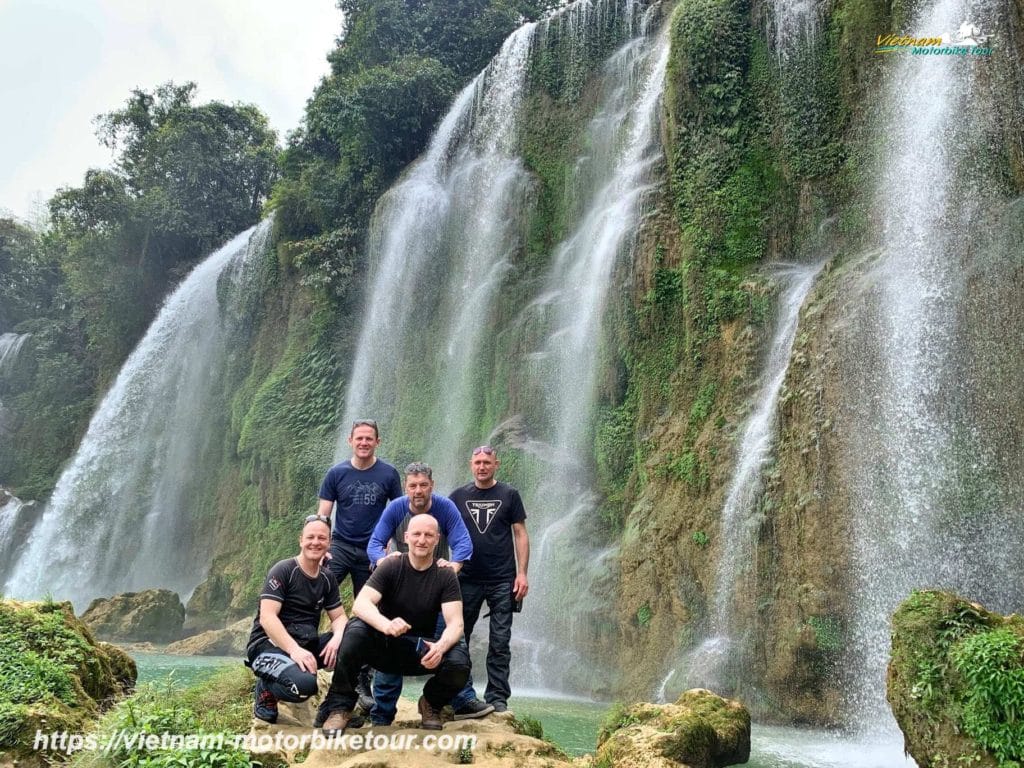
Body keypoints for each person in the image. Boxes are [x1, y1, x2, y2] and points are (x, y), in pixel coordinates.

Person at [319, 514, 470, 735]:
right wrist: (386, 624)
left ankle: (430, 703)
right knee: (355, 631)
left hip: (421, 650)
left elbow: (456, 624)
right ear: (406, 537)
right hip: (385, 647)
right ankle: (340, 707)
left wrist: (441, 647)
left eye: (428, 535)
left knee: (459, 661)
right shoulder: (392, 565)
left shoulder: (445, 575)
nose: (422, 540)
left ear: (437, 539)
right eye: (417, 534)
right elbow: (361, 604)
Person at [364, 462, 476, 725]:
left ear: (432, 486)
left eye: (423, 485)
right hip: (400, 587)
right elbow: (374, 544)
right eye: (413, 485)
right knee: (390, 643)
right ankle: (382, 713)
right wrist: (385, 562)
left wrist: (454, 566)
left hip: (437, 588)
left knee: (452, 642)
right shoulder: (395, 508)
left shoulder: (445, 508)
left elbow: (463, 542)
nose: (418, 491)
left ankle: (458, 700)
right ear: (406, 487)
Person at [316, 418, 402, 712]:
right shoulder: (336, 473)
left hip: (372, 549)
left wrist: (390, 547)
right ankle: (307, 652)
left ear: (377, 441)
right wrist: (322, 547)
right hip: (340, 545)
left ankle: (362, 677)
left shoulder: (389, 474)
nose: (364, 443)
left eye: (369, 439)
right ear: (350, 441)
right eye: (359, 438)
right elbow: (323, 515)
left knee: (369, 613)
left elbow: (398, 512)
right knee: (315, 592)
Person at [448, 445, 529, 714]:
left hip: (502, 580)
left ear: (497, 464)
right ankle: (461, 693)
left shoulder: (509, 494)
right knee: (458, 637)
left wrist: (522, 573)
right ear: (471, 464)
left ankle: (497, 697)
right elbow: (438, 529)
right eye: (478, 462)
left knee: (500, 641)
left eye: (487, 462)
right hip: (466, 578)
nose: (482, 466)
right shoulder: (457, 496)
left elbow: (520, 533)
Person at [245, 515, 347, 724]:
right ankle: (266, 689)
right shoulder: (284, 570)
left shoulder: (327, 578)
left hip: (306, 645)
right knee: (304, 686)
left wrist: (337, 638)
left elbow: (339, 617)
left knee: (356, 639)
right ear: (301, 540)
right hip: (267, 646)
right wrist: (294, 650)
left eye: (321, 538)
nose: (315, 542)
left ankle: (337, 706)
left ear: (329, 543)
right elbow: (267, 617)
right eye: (310, 537)